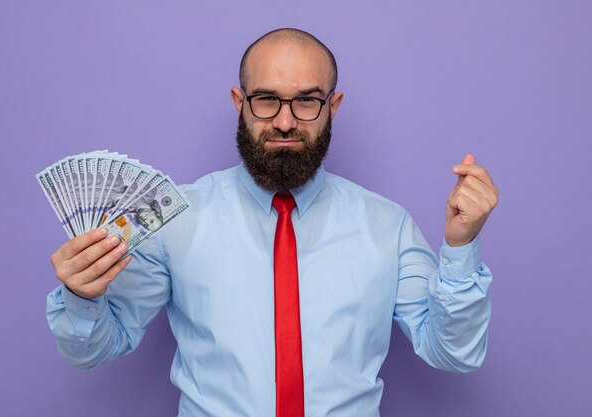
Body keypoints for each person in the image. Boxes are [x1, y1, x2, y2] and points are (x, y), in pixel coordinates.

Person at [46, 28, 498, 417]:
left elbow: (452, 353)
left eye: (306, 101)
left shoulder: (388, 225)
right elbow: (95, 349)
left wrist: (460, 248)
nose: (284, 122)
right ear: (238, 102)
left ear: (333, 105)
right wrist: (82, 296)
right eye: (265, 100)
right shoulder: (172, 217)